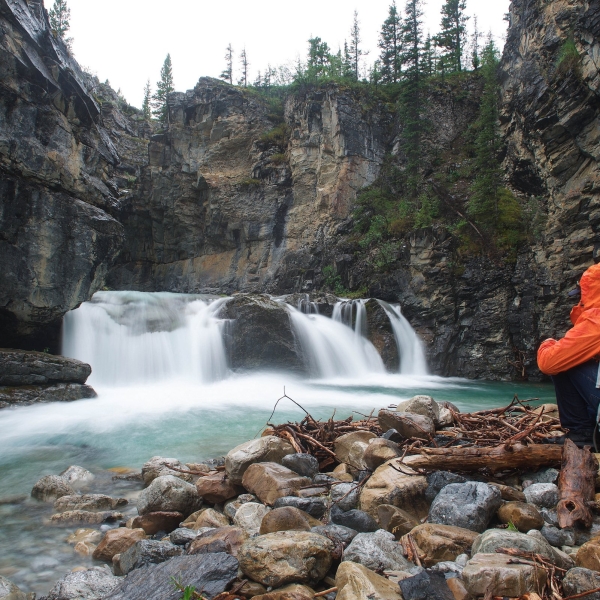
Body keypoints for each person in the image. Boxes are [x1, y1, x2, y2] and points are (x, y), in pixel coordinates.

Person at [537, 262, 600, 446]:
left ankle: (582, 433)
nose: (579, 301)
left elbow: (549, 362)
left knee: (563, 364)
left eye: (581, 296)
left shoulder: (596, 320)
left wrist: (547, 343)